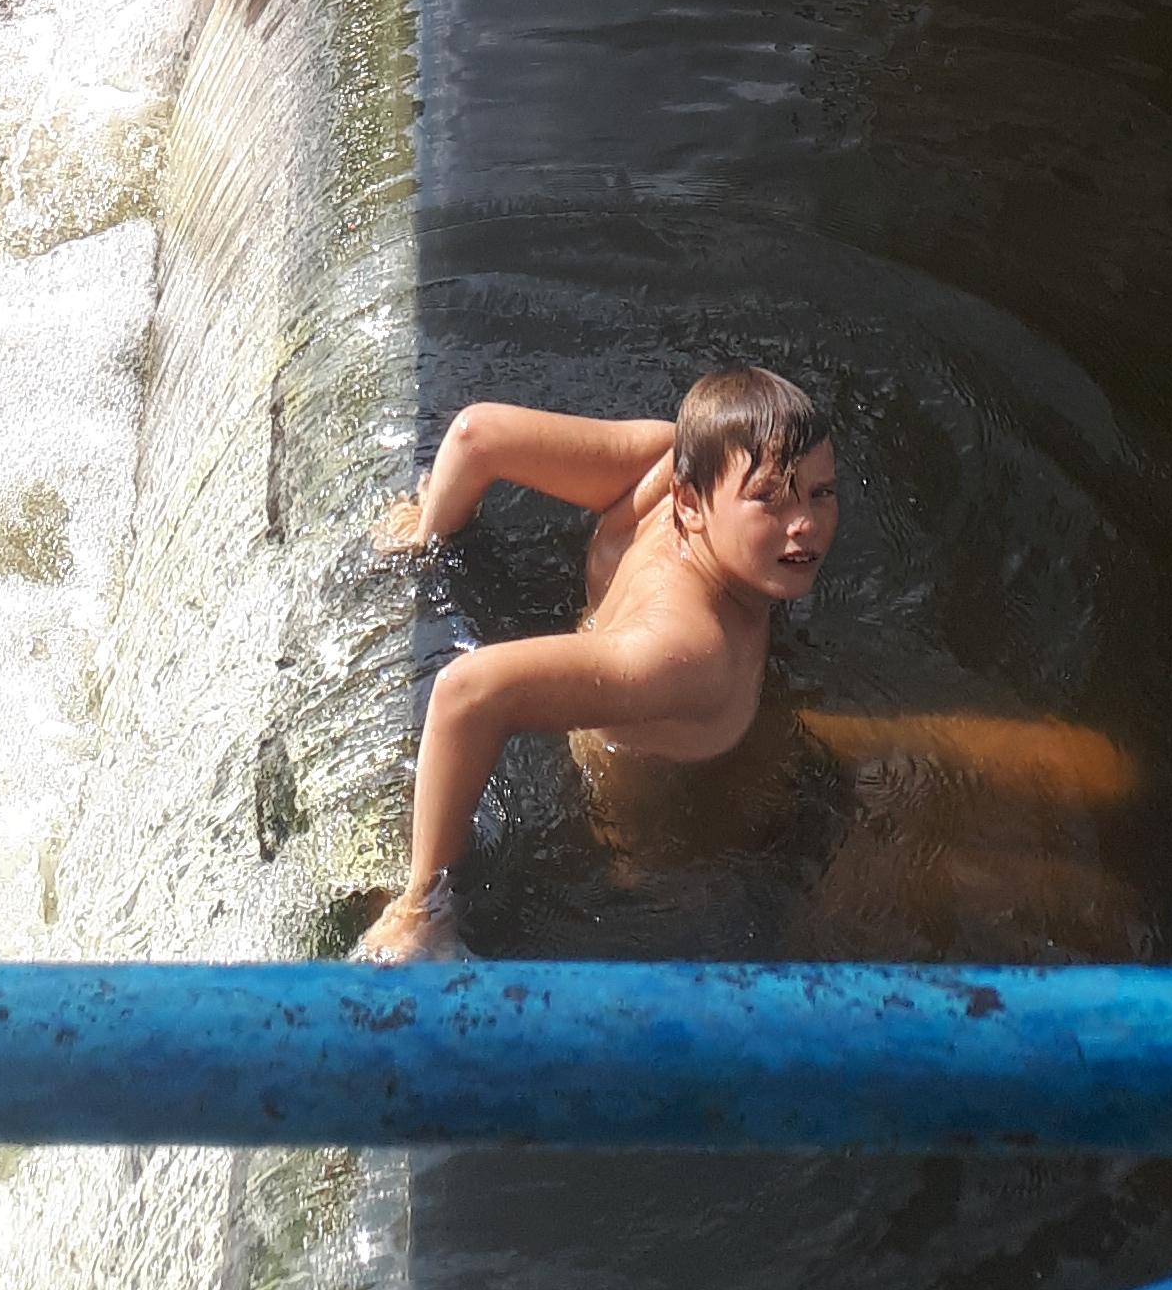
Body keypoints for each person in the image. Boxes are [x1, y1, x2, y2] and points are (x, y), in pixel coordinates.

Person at [353, 366, 840, 961]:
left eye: (821, 492)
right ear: (691, 503)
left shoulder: (666, 463)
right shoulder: (691, 652)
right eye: (768, 497)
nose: (806, 525)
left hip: (618, 663)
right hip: (637, 839)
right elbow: (467, 694)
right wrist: (421, 908)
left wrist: (428, 533)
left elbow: (477, 436)